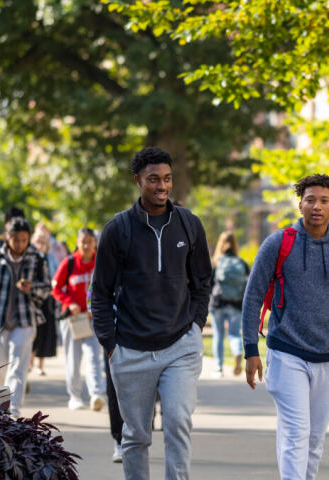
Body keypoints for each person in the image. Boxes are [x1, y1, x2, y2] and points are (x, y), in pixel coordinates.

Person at [91, 146, 212, 480]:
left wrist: (196, 326)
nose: (162, 186)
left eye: (167, 179)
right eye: (154, 179)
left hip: (180, 346)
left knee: (178, 423)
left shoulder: (189, 224)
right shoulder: (118, 229)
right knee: (137, 435)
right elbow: (100, 292)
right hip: (130, 349)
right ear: (138, 181)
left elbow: (203, 280)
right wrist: (110, 344)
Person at [242, 174, 329, 480]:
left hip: (328, 356)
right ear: (300, 204)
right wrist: (250, 349)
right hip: (286, 351)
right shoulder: (278, 243)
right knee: (296, 432)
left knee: (314, 439)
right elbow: (253, 297)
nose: (316, 206)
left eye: (324, 200)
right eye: (310, 199)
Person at [0, 217, 51, 417]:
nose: (20, 244)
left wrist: (32, 289)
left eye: (24, 240)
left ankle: (12, 411)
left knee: (17, 368)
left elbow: (47, 288)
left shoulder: (37, 258)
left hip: (24, 322)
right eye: (16, 240)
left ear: (29, 238)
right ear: (8, 238)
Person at [52, 227, 107, 411]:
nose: (86, 245)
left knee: (94, 357)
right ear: (77, 243)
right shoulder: (68, 263)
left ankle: (97, 394)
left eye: (89, 242)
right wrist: (69, 303)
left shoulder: (101, 262)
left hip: (92, 318)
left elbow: (108, 286)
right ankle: (75, 396)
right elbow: (56, 288)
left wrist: (98, 306)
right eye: (83, 242)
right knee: (73, 359)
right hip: (73, 321)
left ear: (95, 243)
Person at [209, 231, 249, 377]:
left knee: (218, 335)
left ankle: (218, 369)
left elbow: (208, 283)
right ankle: (238, 352)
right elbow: (248, 285)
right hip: (235, 303)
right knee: (234, 334)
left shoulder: (216, 262)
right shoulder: (241, 263)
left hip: (218, 303)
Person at [29, 230, 58, 376]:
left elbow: (56, 277)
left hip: (48, 300)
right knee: (34, 332)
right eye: (37, 242)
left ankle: (40, 365)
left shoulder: (50, 259)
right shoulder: (30, 258)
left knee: (45, 332)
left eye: (42, 243)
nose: (40, 245)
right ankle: (29, 362)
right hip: (33, 300)